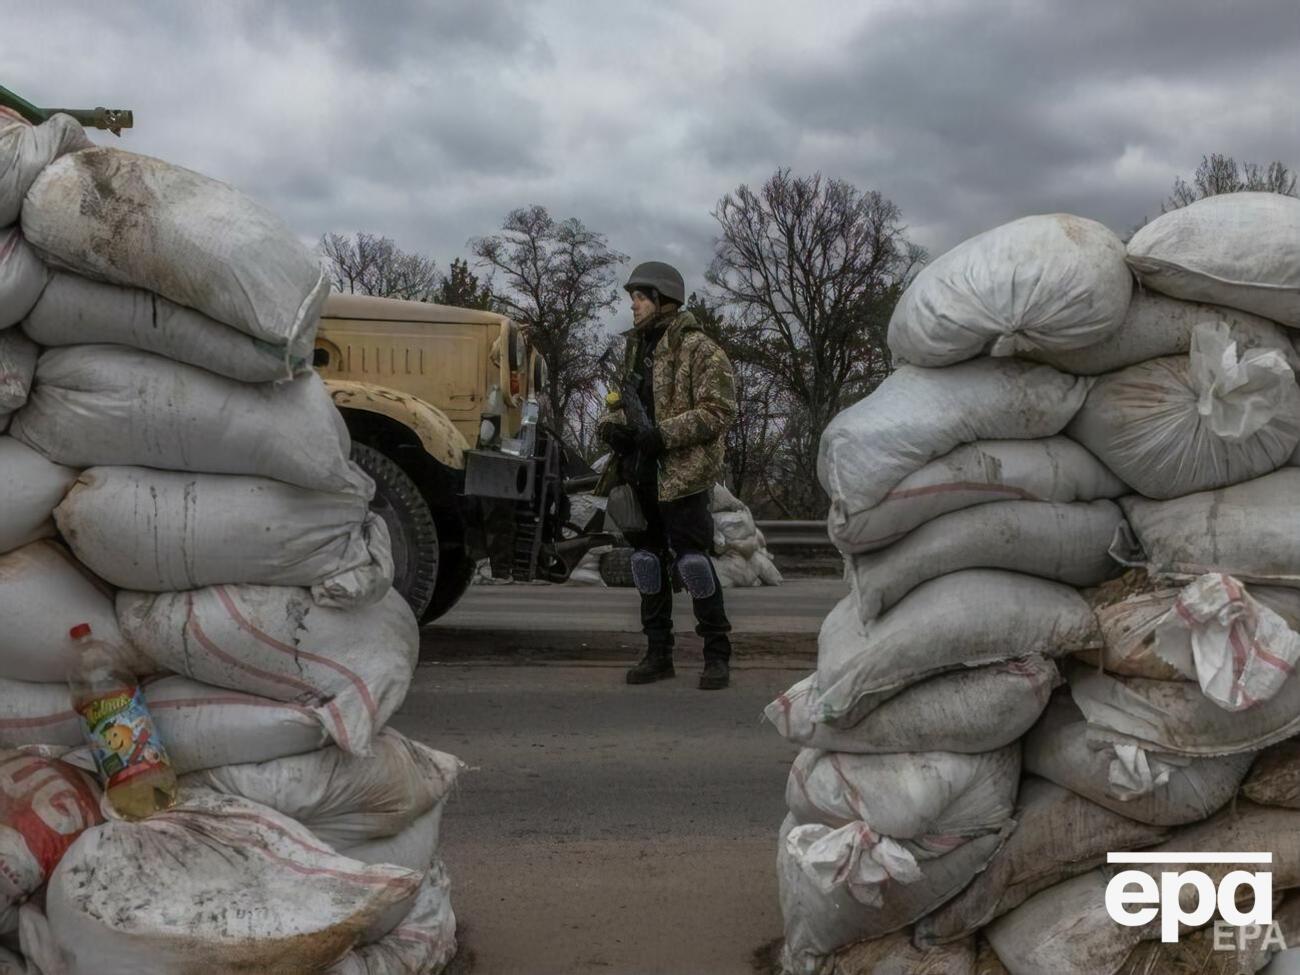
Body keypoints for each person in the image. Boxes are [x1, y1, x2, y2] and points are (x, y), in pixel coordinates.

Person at [596, 261, 739, 690]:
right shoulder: (634, 348)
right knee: (646, 564)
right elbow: (619, 400)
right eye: (633, 299)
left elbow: (718, 412)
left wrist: (664, 435)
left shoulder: (700, 349)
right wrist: (611, 428)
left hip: (683, 476)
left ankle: (717, 655)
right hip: (641, 475)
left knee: (694, 565)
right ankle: (658, 654)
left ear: (663, 300)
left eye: (639, 298)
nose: (633, 306)